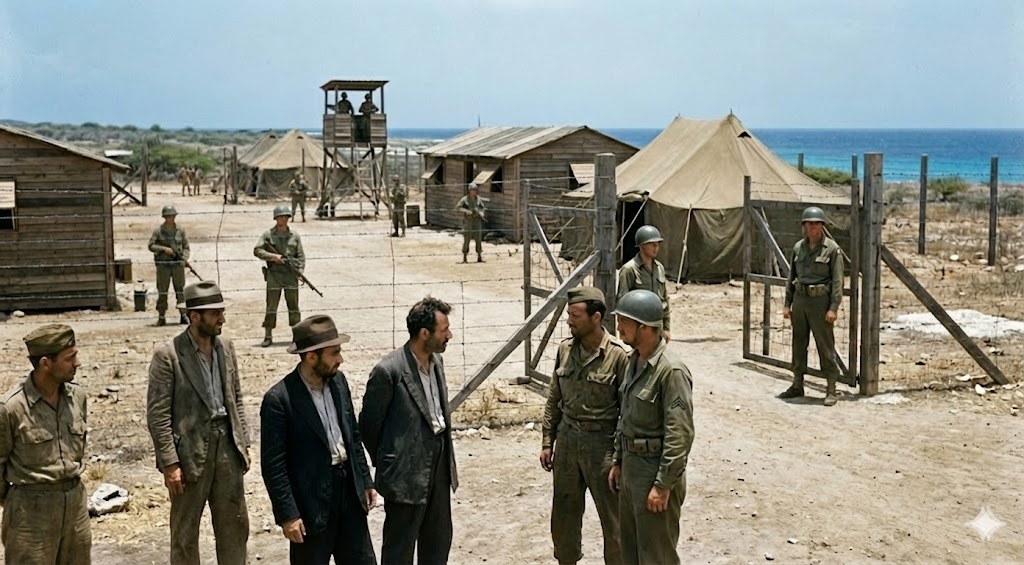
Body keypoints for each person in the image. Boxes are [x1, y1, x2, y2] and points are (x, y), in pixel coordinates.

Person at [146, 281, 251, 565]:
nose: (222, 319)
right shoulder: (168, 354)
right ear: (194, 317)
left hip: (227, 447)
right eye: (215, 313)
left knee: (235, 526)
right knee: (185, 532)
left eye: (222, 311)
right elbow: (158, 416)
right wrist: (170, 464)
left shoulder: (225, 346)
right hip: (189, 454)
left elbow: (236, 397)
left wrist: (243, 443)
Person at [260, 315, 377, 565]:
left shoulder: (339, 382)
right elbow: (274, 467)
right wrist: (288, 515)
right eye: (334, 353)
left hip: (349, 495)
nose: (340, 360)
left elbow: (352, 436)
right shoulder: (280, 400)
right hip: (311, 505)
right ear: (311, 356)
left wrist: (365, 480)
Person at [359, 297, 459, 565]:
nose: (449, 335)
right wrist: (393, 461)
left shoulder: (436, 362)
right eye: (444, 330)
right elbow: (369, 428)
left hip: (438, 466)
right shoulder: (388, 371)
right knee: (400, 549)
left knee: (437, 542)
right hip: (404, 474)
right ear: (424, 333)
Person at [540, 287, 629, 565]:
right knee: (564, 515)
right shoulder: (565, 350)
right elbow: (554, 397)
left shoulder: (618, 357)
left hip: (602, 446)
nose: (569, 321)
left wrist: (619, 458)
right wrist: (547, 441)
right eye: (568, 315)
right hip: (567, 443)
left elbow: (627, 413)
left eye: (575, 315)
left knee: (613, 520)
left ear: (596, 317)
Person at [608, 290, 694, 565]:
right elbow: (626, 417)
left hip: (654, 471)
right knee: (630, 551)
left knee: (657, 555)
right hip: (632, 468)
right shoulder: (633, 361)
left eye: (624, 321)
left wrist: (663, 484)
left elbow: (679, 434)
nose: (618, 327)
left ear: (644, 327)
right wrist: (619, 461)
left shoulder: (671, 371)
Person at [0, 324, 90, 564]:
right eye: (70, 358)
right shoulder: (11, 408)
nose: (77, 363)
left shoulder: (77, 397)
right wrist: (17, 501)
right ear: (45, 363)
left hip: (75, 508)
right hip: (30, 515)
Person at [778, 206, 845, 406]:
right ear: (804, 226)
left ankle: (831, 388)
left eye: (816, 224)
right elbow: (792, 277)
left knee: (825, 346)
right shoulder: (798, 248)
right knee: (798, 344)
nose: (813, 227)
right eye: (809, 224)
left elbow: (838, 281)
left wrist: (833, 307)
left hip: (820, 303)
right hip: (800, 300)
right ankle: (797, 384)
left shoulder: (832, 249)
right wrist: (787, 303)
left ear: (822, 226)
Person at [254, 205, 306, 347]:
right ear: (275, 218)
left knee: (293, 306)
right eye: (281, 217)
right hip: (274, 274)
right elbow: (257, 250)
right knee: (271, 305)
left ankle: (297, 336)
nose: (284, 219)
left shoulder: (294, 236)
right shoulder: (267, 235)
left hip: (290, 274)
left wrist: (300, 271)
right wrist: (273, 257)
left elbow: (301, 255)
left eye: (286, 217)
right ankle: (268, 335)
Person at [617, 225, 671, 342]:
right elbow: (622, 302)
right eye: (652, 244)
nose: (656, 248)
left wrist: (666, 327)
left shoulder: (659, 268)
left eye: (658, 244)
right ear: (642, 246)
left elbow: (664, 299)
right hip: (639, 328)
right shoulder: (629, 269)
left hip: (657, 326)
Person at [148, 204, 191, 326]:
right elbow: (151, 246)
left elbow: (186, 247)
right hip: (163, 266)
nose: (170, 219)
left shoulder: (180, 231)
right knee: (162, 291)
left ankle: (183, 315)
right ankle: (161, 316)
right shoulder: (158, 231)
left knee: (180, 291)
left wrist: (184, 259)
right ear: (164, 217)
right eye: (167, 216)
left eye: (172, 216)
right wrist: (163, 249)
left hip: (177, 265)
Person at [456, 183, 486, 263]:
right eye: (472, 190)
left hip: (477, 220)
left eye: (475, 190)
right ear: (469, 191)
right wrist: (467, 211)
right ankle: (465, 256)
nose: (474, 192)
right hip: (468, 221)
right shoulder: (465, 199)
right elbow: (458, 207)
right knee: (467, 238)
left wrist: (481, 213)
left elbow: (482, 208)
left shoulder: (478, 199)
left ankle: (479, 255)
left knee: (478, 238)